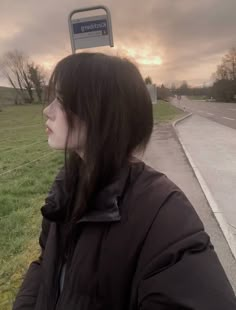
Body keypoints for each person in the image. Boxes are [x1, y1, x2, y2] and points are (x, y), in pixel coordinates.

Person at [13, 53, 236, 310]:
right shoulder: (65, 189)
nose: (47, 110)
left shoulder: (165, 214)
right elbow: (45, 265)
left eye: (61, 100)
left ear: (102, 112)